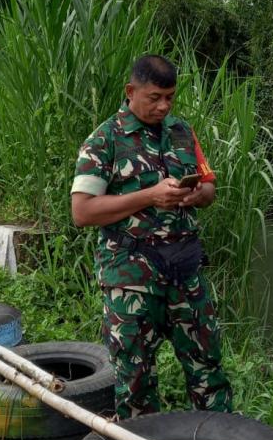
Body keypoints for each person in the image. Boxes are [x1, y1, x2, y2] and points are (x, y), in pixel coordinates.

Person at [70, 54, 233, 419]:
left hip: (185, 269)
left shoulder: (182, 131)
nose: (163, 106)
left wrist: (194, 195)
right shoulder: (104, 140)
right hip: (130, 274)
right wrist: (149, 196)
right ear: (131, 91)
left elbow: (209, 189)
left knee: (208, 370)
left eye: (170, 97)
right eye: (155, 97)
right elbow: (82, 212)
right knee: (136, 377)